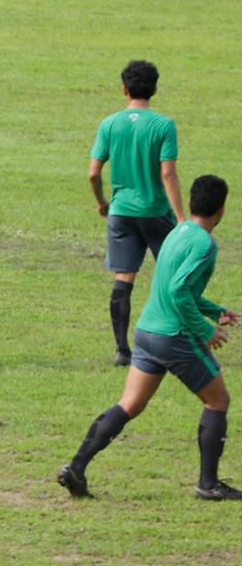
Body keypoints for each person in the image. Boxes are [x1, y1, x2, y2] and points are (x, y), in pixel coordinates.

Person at [58, 175, 238, 500]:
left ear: (191, 202)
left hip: (146, 332)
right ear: (221, 210)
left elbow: (175, 287)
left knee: (130, 404)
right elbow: (178, 290)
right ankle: (208, 484)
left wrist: (216, 311)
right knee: (218, 400)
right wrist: (205, 330)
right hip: (173, 336)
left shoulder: (178, 232)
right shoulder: (204, 244)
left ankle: (76, 467)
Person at [89, 60, 184, 366]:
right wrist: (181, 217)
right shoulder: (163, 125)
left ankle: (122, 350)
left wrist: (102, 202)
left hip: (121, 212)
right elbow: (168, 174)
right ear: (154, 89)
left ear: (124, 89)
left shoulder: (109, 124)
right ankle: (175, 341)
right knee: (174, 275)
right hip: (155, 211)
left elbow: (93, 173)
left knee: (124, 277)